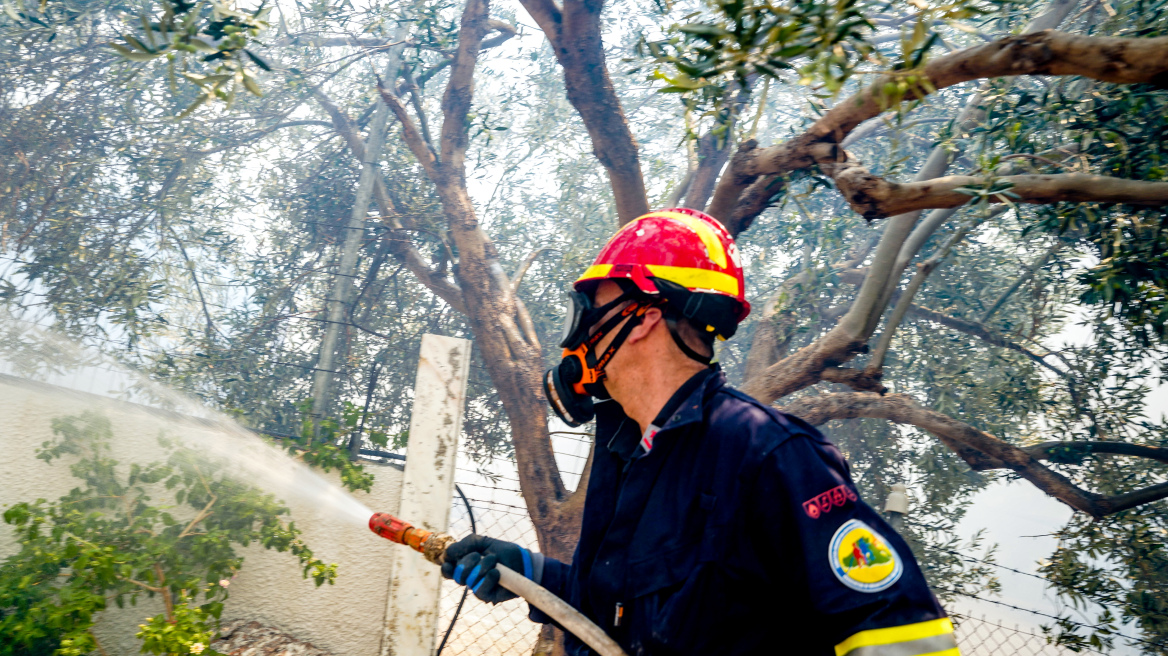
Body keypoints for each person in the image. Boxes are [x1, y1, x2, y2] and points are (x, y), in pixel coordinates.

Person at [441, 208, 958, 656]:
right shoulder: (628, 451)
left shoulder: (767, 452)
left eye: (593, 312)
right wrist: (527, 573)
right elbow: (622, 620)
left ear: (641, 316)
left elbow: (902, 634)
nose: (582, 336)